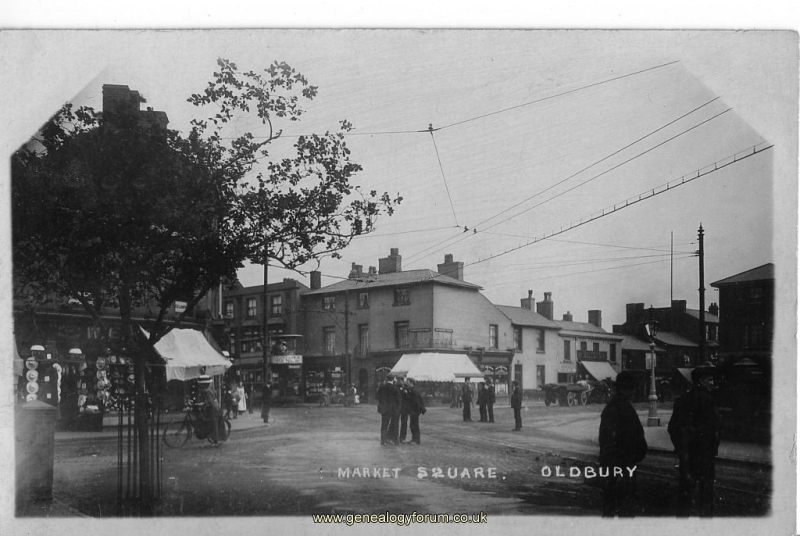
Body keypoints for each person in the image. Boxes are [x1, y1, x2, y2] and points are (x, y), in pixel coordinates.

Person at [668, 366, 721, 516]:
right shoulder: (709, 401)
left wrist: (681, 448)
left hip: (687, 457)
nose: (712, 382)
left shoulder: (682, 400)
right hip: (705, 457)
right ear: (701, 381)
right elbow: (716, 429)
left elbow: (673, 429)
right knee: (706, 498)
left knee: (685, 496)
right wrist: (711, 448)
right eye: (709, 380)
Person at [598, 371, 647, 517]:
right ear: (624, 389)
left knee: (612, 507)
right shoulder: (622, 408)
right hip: (622, 466)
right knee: (623, 507)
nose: (632, 392)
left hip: (616, 465)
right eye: (630, 388)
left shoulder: (614, 406)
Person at [376, 375, 402, 445]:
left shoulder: (381, 388)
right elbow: (399, 399)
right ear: (393, 379)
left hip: (384, 409)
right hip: (393, 409)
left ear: (386, 379)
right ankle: (395, 440)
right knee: (395, 425)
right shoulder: (395, 388)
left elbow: (377, 397)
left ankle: (383, 440)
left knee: (384, 425)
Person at [198, 375, 221, 446]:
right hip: (215, 407)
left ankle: (216, 441)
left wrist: (203, 404)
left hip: (212, 408)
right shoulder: (210, 389)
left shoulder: (207, 391)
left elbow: (210, 402)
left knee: (213, 424)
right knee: (213, 424)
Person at [405, 378, 427, 445]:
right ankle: (414, 439)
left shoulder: (413, 391)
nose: (406, 383)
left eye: (408, 382)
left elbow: (415, 402)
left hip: (414, 411)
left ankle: (416, 440)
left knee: (414, 425)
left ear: (412, 383)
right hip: (414, 411)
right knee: (413, 425)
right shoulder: (412, 390)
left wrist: (406, 395)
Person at [399, 378, 412, 443]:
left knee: (403, 423)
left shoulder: (406, 390)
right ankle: (402, 437)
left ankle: (401, 437)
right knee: (404, 423)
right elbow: (408, 398)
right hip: (404, 409)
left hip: (403, 409)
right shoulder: (404, 390)